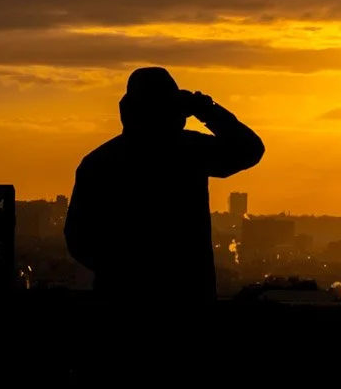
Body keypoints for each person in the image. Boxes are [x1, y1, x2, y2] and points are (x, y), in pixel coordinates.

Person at [65, 67, 264, 308]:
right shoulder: (188, 151)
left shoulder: (100, 161)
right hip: (185, 295)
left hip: (121, 296)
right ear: (175, 109)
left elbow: (79, 238)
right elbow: (249, 149)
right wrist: (205, 109)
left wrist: (123, 271)